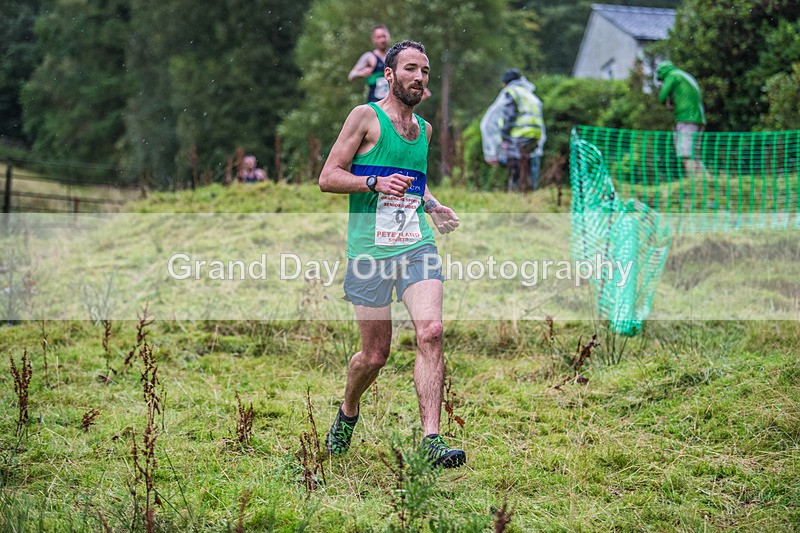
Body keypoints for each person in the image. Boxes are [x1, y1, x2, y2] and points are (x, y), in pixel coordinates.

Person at [320, 40, 464, 468]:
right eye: (411, 69)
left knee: (432, 331)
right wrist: (372, 184)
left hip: (415, 244)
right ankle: (348, 410)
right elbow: (328, 177)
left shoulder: (425, 131)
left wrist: (432, 206)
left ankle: (432, 439)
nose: (419, 78)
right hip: (369, 251)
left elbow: (414, 184)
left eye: (425, 71)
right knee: (374, 356)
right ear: (389, 74)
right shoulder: (366, 117)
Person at [484, 69, 545, 192]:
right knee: (528, 163)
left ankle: (516, 191)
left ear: (506, 83)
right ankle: (530, 190)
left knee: (515, 164)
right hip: (535, 135)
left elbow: (509, 116)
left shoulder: (511, 92)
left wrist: (504, 137)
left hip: (520, 134)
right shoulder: (529, 94)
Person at [349, 25, 431, 103]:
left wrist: (418, 88)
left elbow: (406, 74)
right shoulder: (369, 57)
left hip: (395, 102)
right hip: (375, 101)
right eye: (379, 37)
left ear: (388, 36)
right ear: (373, 39)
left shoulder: (397, 56)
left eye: (384, 36)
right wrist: (361, 73)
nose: (382, 40)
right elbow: (351, 75)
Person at [656, 61, 706, 177]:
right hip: (699, 118)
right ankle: (706, 182)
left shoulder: (672, 75)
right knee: (695, 154)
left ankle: (694, 184)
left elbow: (662, 96)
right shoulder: (684, 76)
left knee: (686, 154)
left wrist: (667, 100)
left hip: (686, 119)